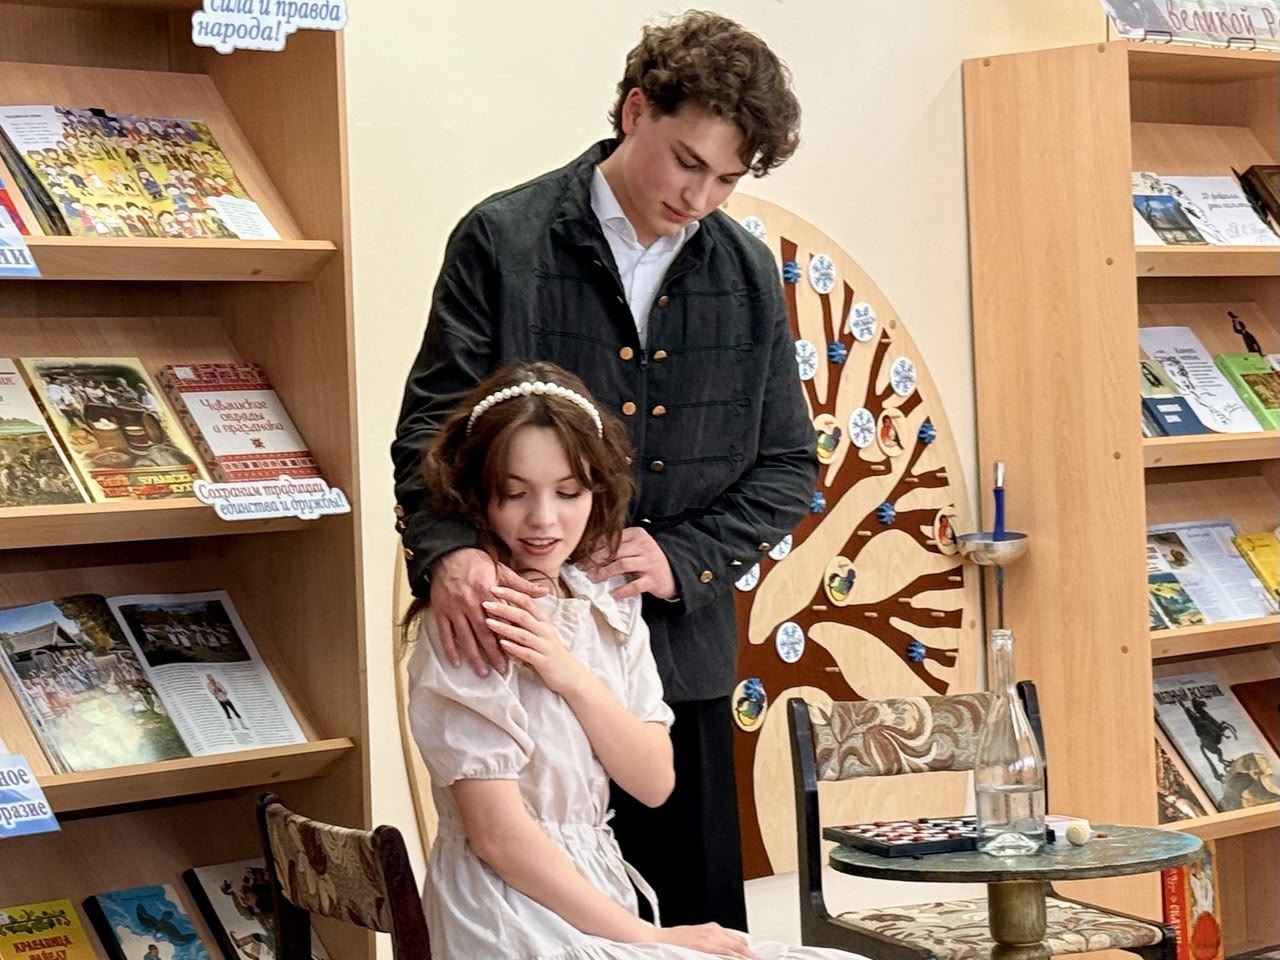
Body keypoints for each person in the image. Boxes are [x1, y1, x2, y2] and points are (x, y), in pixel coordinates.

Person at [392, 11, 816, 927]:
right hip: (518, 651)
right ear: (634, 111)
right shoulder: (503, 240)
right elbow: (429, 431)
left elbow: (790, 466)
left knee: (698, 937)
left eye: (728, 180)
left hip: (677, 665)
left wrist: (684, 554)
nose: (700, 197)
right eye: (688, 162)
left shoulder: (747, 273)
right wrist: (449, 554)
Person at [405, 362, 858, 960]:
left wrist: (568, 673)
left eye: (568, 492)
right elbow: (497, 838)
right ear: (475, 494)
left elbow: (653, 781)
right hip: (504, 913)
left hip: (602, 899)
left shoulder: (607, 604)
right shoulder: (472, 617)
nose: (543, 519)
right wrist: (651, 937)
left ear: (598, 490)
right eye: (514, 494)